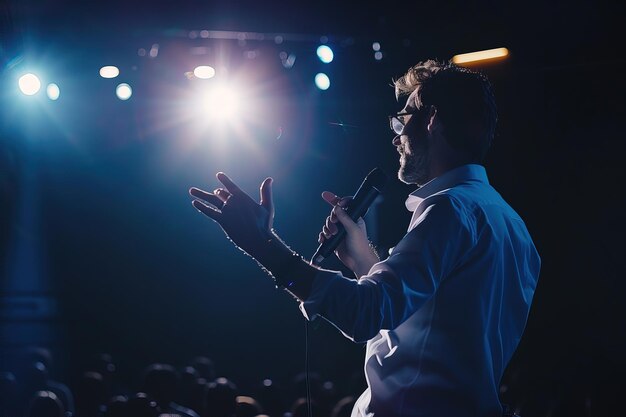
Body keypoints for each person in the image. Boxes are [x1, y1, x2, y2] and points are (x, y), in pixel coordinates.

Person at [189, 59, 540, 417]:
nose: (396, 135)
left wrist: (261, 244)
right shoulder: (511, 225)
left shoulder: (450, 210)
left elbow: (367, 314)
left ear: (432, 121)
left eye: (403, 119)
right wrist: (362, 260)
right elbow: (417, 326)